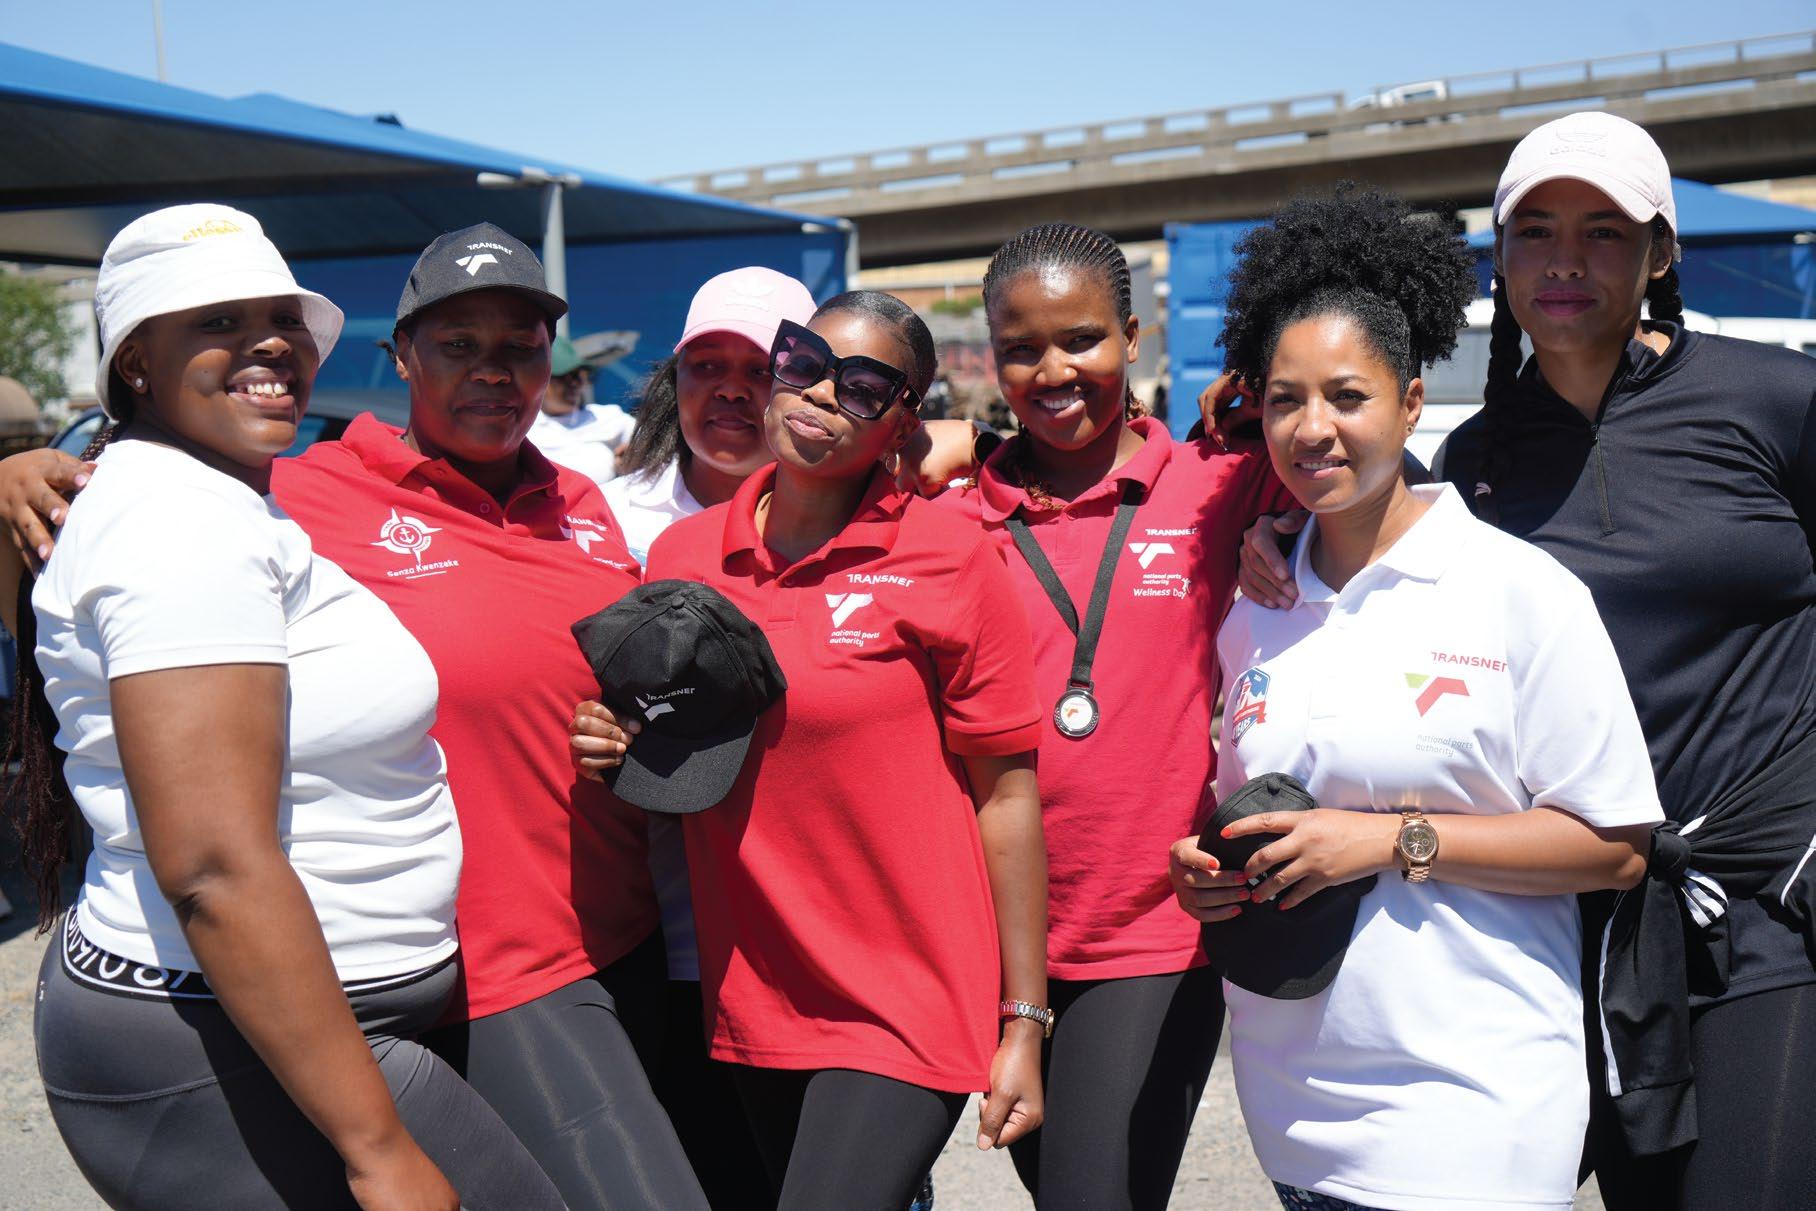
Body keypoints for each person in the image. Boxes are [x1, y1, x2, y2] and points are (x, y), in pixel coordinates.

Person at [0, 219, 711, 1211]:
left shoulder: (583, 501)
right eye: (458, 343)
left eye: (520, 346)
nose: (493, 370)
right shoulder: (293, 490)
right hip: (479, 971)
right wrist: (22, 477)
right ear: (401, 356)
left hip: (607, 929)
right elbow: (91, 614)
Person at [1237, 116, 1816, 1210]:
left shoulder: (1776, 400)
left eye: (1604, 231)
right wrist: (1272, 534)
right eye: (1535, 230)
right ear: (1497, 256)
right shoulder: (1476, 459)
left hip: (1767, 896)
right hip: (1584, 914)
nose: (1564, 259)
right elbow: (1361, 511)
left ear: (1660, 252)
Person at [1171, 183, 1661, 1211]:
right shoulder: (1255, 606)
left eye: (1346, 396)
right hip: (1290, 1108)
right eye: (1284, 399)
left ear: (1410, 402)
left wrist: (1389, 840)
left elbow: (1615, 845)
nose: (1312, 429)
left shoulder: (1518, 591)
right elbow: (1261, 815)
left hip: (1472, 1107)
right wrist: (1208, 871)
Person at [579, 290, 1049, 1210]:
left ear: (902, 422)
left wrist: (1024, 1020)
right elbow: (669, 749)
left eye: (864, 387)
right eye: (803, 362)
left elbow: (1008, 798)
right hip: (756, 988)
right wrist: (611, 740)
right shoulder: (681, 557)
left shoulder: (951, 555)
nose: (823, 394)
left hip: (909, 990)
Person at [935, 222, 1293, 1211]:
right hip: (996, 937)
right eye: (1021, 349)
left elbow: (1357, 452)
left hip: (1154, 928)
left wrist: (1267, 395)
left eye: (1082, 339)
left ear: (1134, 338)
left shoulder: (1219, 483)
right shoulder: (951, 517)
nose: (1054, 370)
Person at [606, 264, 818, 1211]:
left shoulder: (876, 518)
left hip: (820, 942)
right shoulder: (603, 521)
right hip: (664, 945)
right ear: (675, 378)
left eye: (760, 369)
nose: (731, 390)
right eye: (707, 366)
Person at [527, 334, 635, 485]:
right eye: (564, 376)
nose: (575, 384)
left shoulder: (608, 416)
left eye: (579, 376)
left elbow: (652, 443)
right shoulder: (522, 429)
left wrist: (635, 457)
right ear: (539, 379)